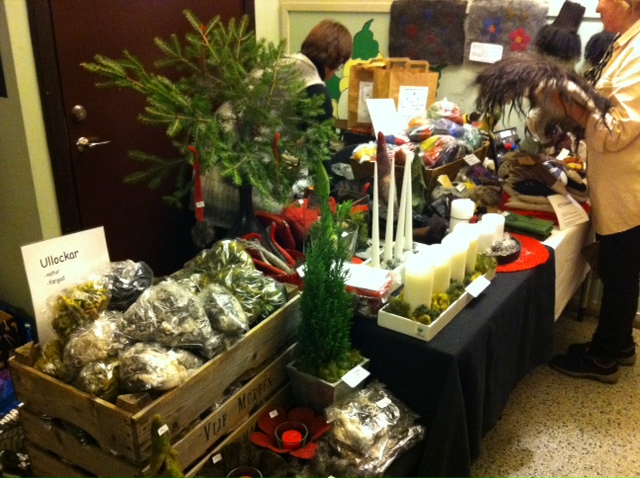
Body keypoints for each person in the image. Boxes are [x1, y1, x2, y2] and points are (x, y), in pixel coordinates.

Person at [549, 0, 640, 384]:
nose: (599, 6)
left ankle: (603, 358)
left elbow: (617, 130)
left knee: (619, 273)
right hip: (622, 188)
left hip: (628, 192)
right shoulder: (625, 45)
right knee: (623, 272)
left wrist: (570, 108)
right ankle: (621, 345)